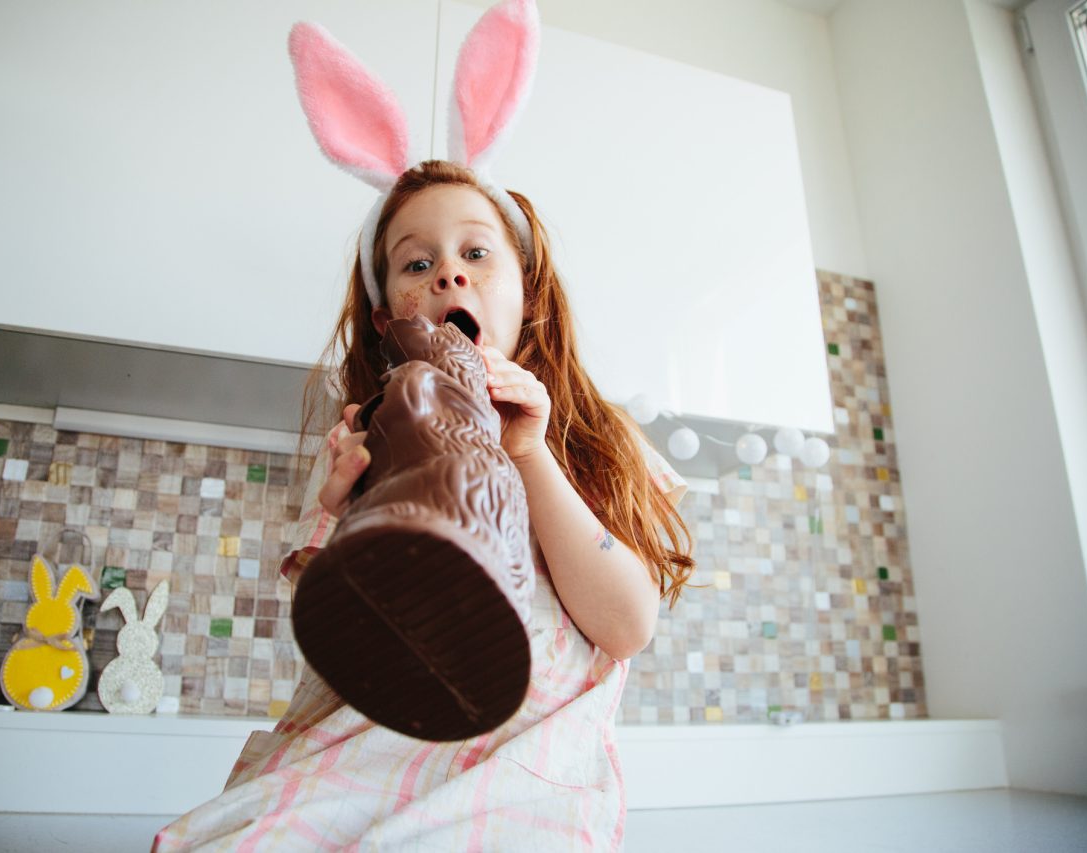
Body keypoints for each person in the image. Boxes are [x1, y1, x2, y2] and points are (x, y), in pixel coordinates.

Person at [153, 3, 693, 850]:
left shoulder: (591, 438)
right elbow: (339, 639)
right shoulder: (369, 446)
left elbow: (624, 625)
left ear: (528, 291)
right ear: (385, 316)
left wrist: (529, 450)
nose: (448, 271)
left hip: (522, 788)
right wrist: (339, 507)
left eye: (477, 253)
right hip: (358, 761)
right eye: (417, 262)